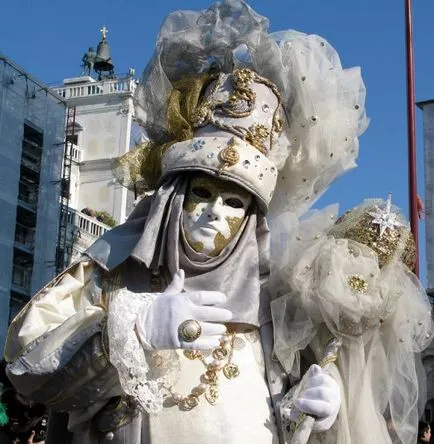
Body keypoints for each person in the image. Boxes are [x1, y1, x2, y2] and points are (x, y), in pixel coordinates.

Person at [4, 1, 367, 443]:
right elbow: (28, 367)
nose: (216, 210)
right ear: (172, 197)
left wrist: (308, 413)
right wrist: (132, 328)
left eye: (235, 202)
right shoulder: (112, 269)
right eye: (201, 192)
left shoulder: (267, 301)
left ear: (253, 221)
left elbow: (266, 416)